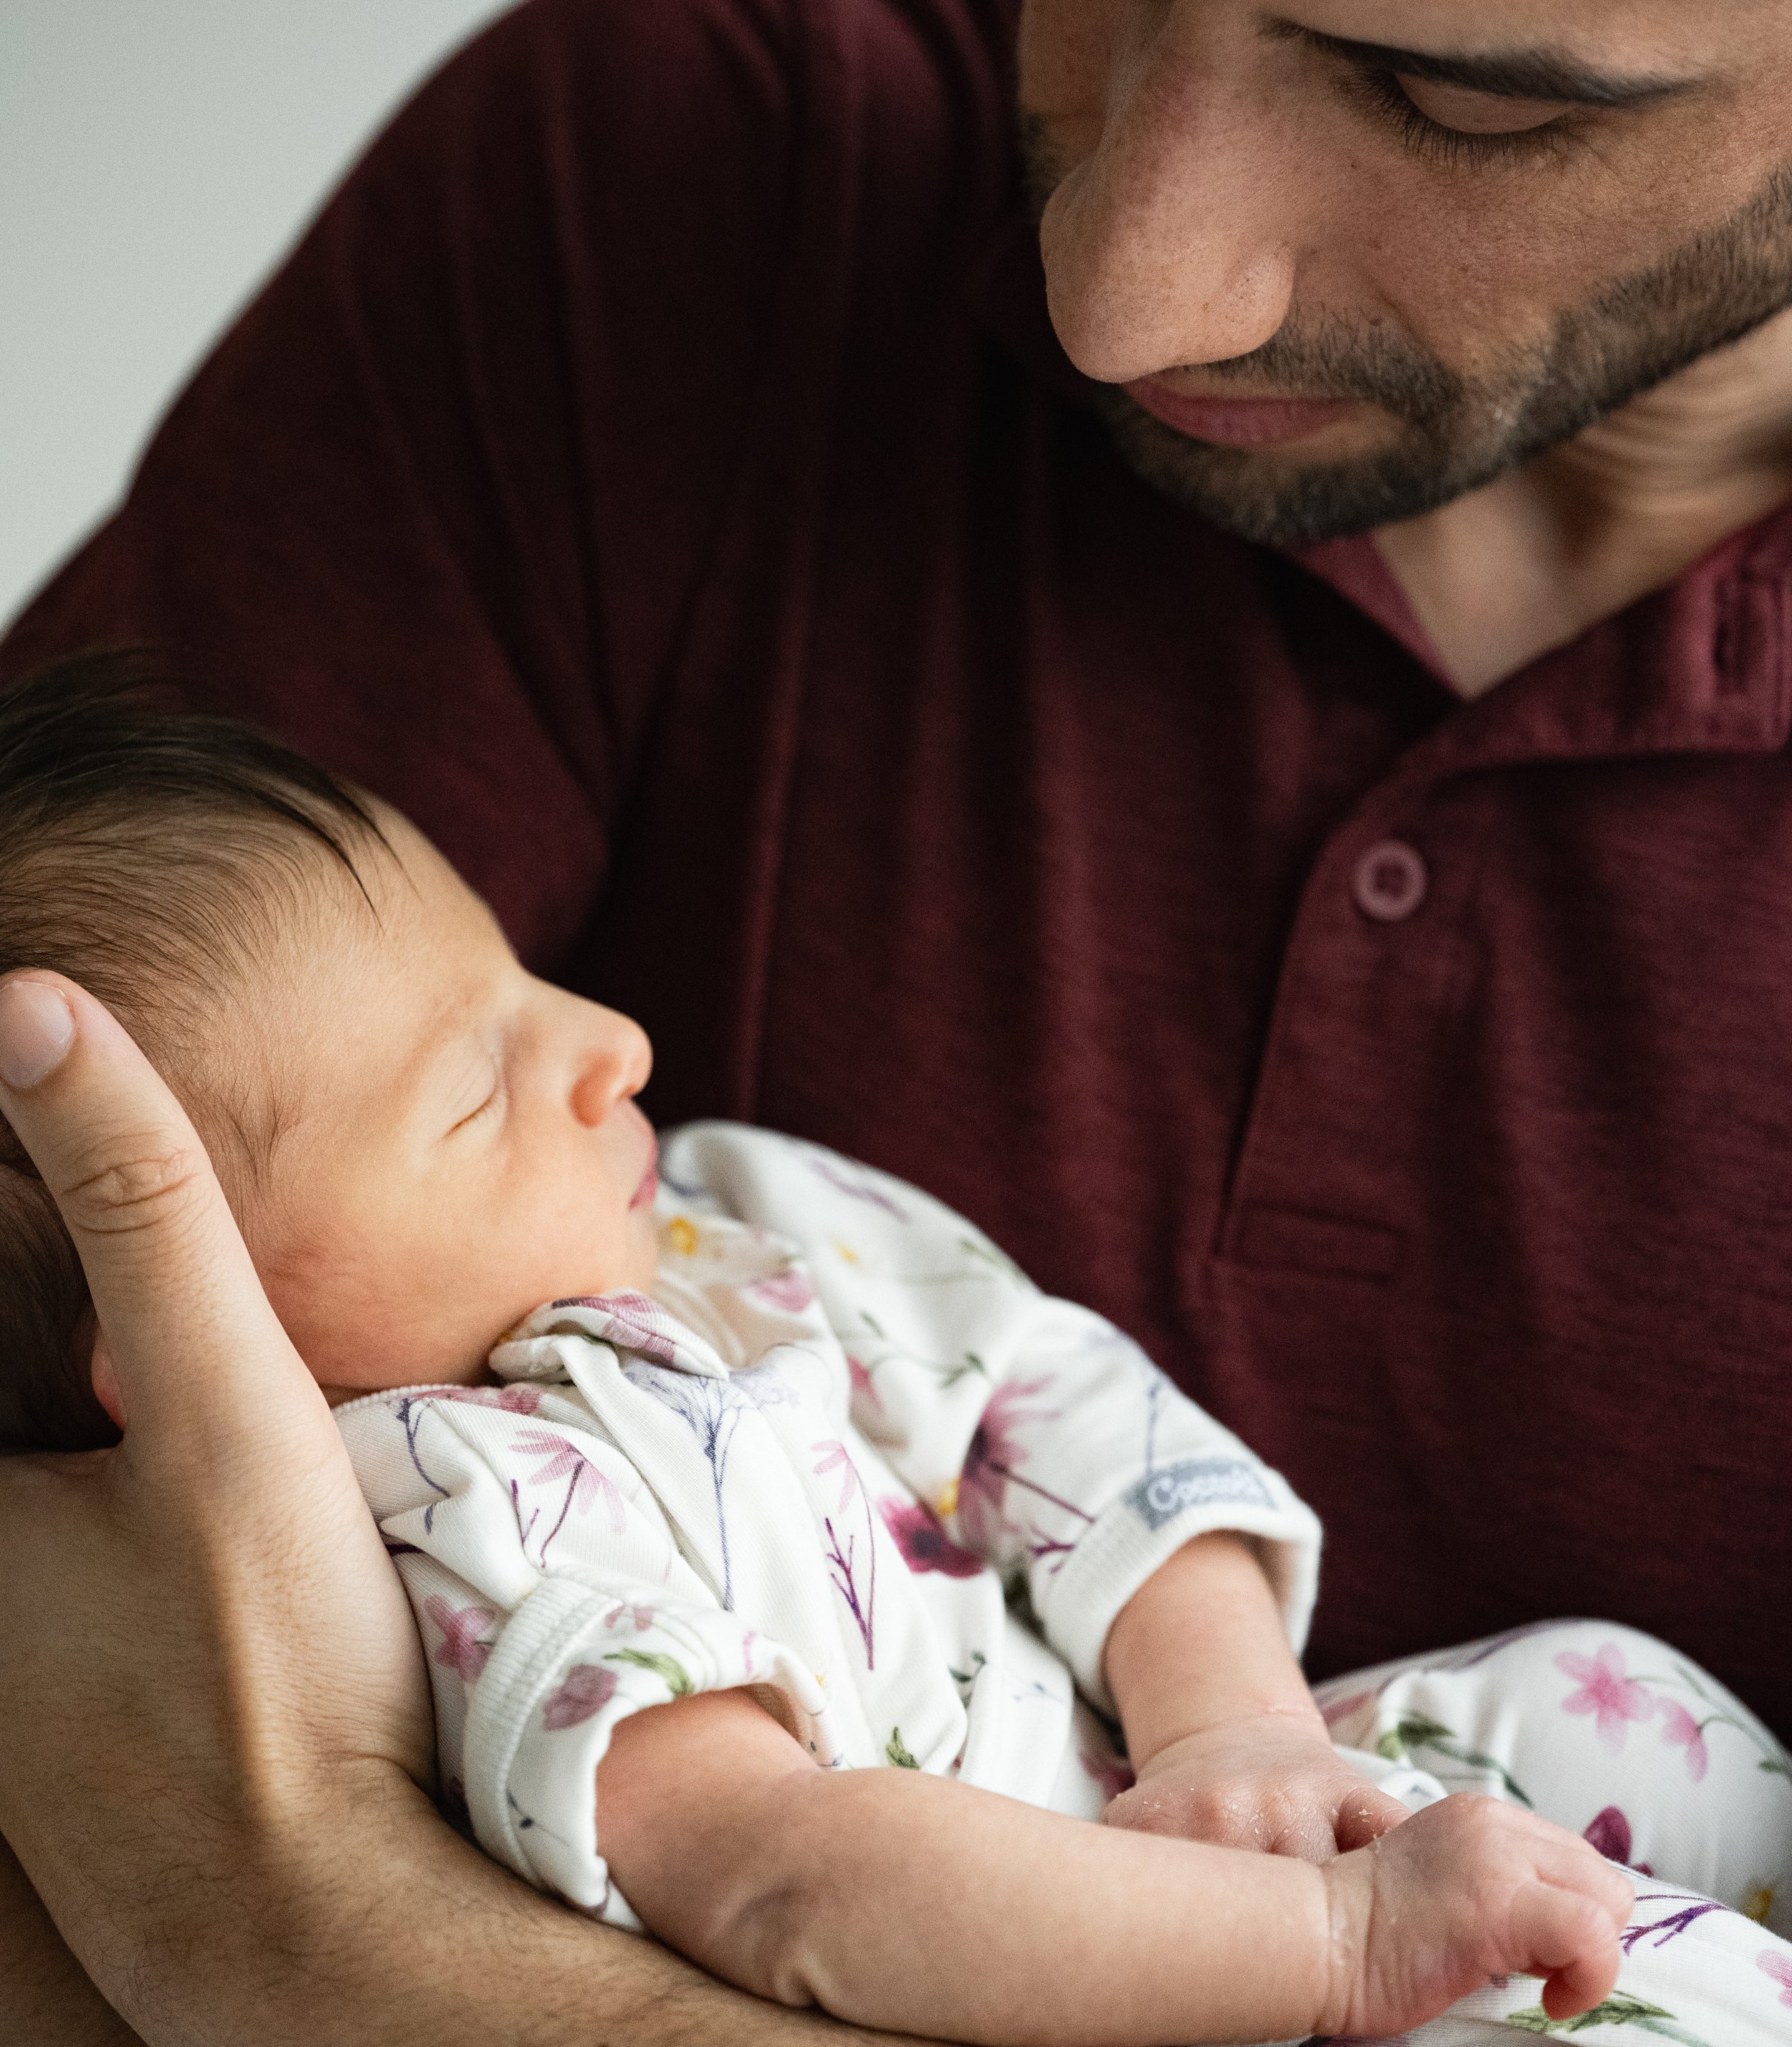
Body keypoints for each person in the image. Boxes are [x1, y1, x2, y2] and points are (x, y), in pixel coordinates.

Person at [7, 0, 1792, 2035]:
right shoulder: (670, 185)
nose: (1121, 288)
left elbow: (191, 1868)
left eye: (1459, 93)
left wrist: (323, 1936)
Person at [2, 660, 1776, 2046]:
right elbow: (792, 1880)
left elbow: (1065, 1417)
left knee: (1612, 1704)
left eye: (524, 972)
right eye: (472, 1092)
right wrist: (1327, 1940)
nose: (609, 1039)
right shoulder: (463, 1532)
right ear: (183, 1329)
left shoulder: (727, 1215)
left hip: (1227, 1764)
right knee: (1620, 1994)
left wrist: (1231, 1734)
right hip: (1132, 1966)